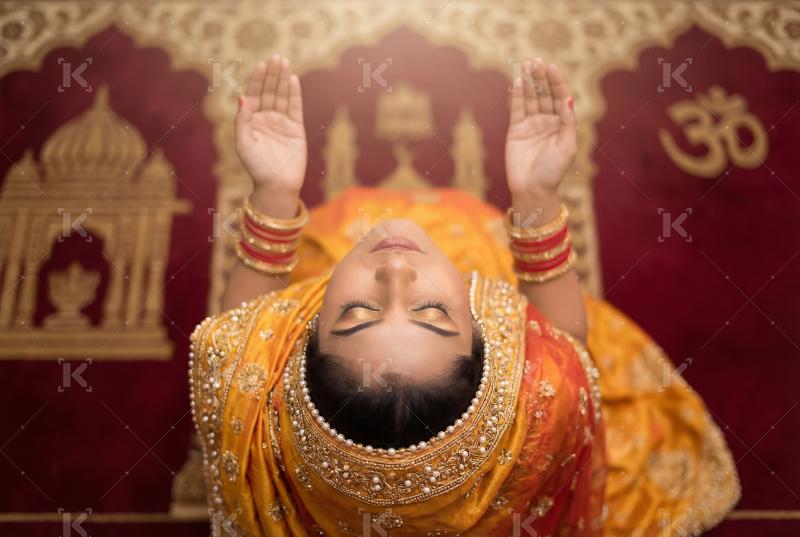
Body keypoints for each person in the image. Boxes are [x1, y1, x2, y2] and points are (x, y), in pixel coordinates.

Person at [189, 54, 739, 536]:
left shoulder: (255, 421)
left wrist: (275, 194)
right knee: (479, 238)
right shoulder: (535, 428)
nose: (397, 272)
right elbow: (568, 353)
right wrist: (536, 199)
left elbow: (239, 336)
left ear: (293, 352)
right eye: (432, 313)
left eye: (358, 313)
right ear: (494, 350)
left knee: (331, 237)